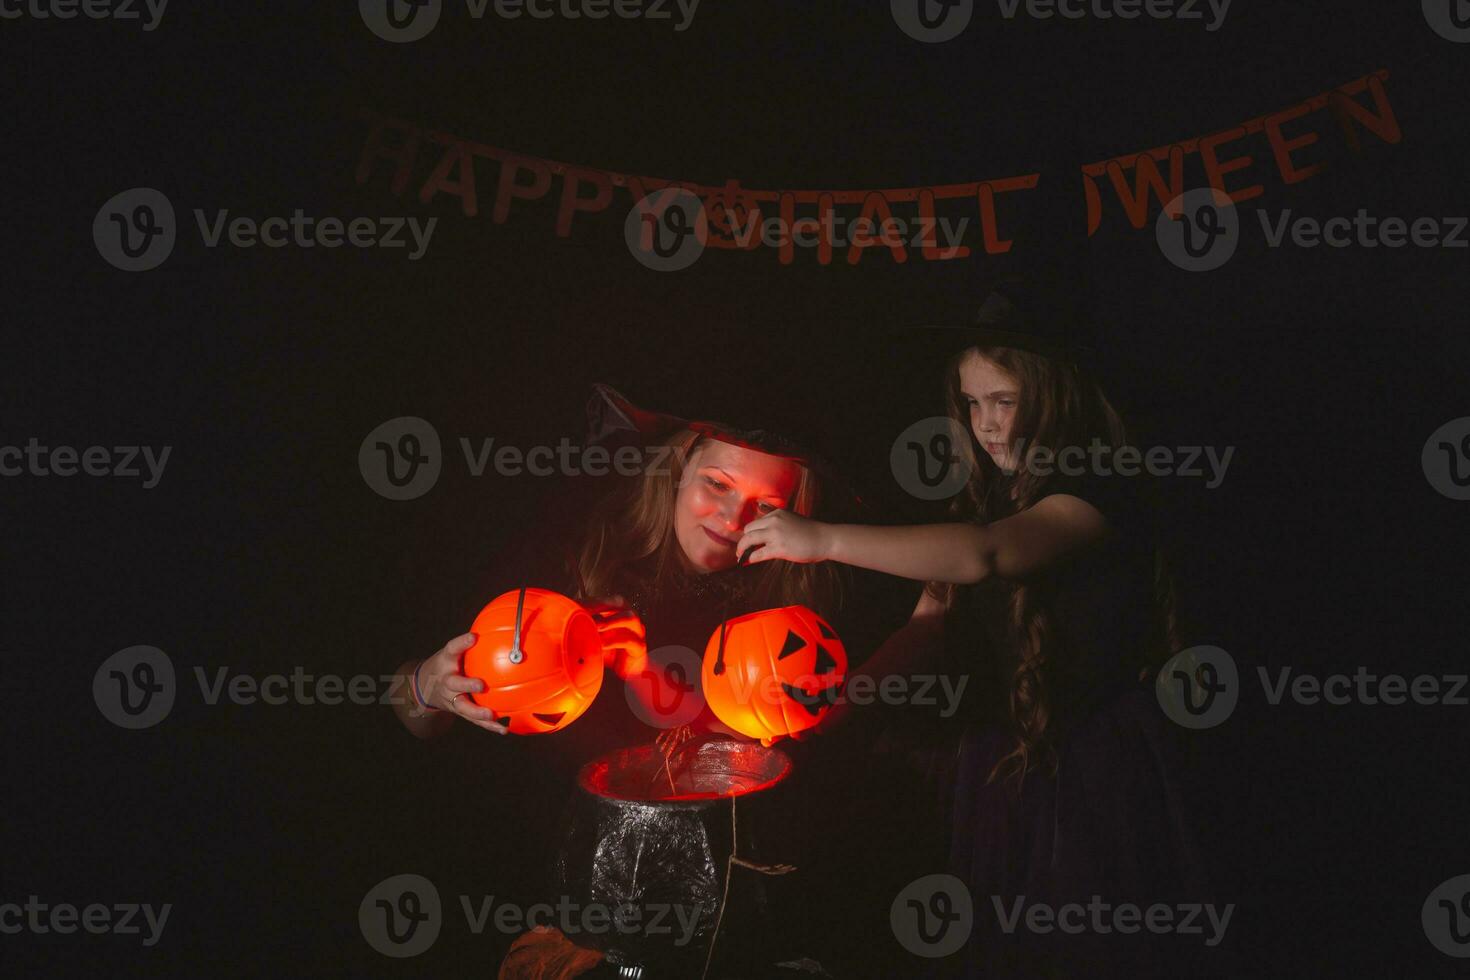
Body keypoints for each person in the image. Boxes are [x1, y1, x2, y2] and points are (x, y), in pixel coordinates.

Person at [737, 282, 1223, 977]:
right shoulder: (983, 495)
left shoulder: (1101, 487)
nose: (985, 423)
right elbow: (928, 626)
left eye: (1003, 400)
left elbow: (983, 554)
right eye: (971, 402)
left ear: (1055, 395)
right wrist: (822, 717)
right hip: (1000, 766)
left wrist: (823, 540)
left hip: (1088, 774)